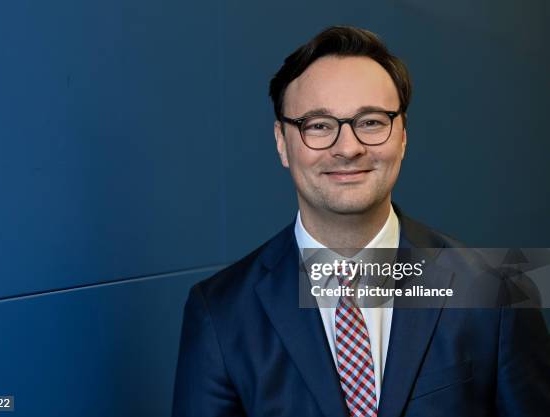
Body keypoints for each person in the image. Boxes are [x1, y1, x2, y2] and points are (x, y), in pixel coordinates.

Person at [172, 26, 550, 417]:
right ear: (282, 142)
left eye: (370, 122)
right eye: (318, 125)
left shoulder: (497, 288)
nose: (349, 148)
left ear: (403, 135)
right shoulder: (219, 311)